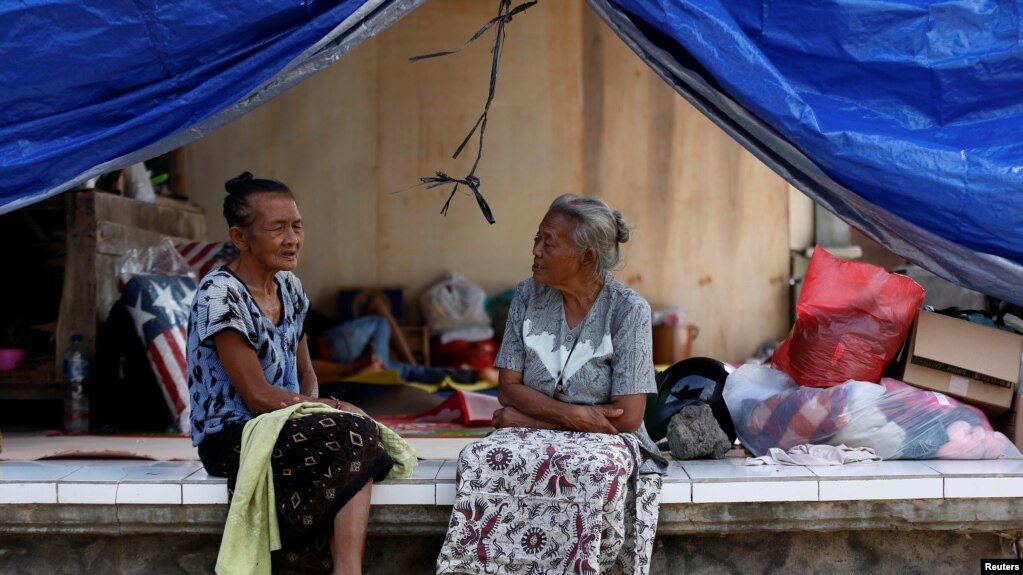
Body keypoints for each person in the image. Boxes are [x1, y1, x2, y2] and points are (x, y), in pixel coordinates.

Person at [436, 194, 667, 575]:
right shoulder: (527, 295)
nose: (536, 251)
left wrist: (533, 420)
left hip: (608, 439)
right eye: (536, 239)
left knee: (595, 470)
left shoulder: (628, 310)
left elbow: (626, 417)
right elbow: (508, 389)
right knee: (480, 460)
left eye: (548, 243)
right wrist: (576, 415)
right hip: (577, 424)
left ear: (587, 258)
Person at [187, 172, 393, 575]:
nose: (292, 238)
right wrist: (328, 409)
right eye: (277, 228)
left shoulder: (291, 288)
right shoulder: (219, 294)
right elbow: (258, 396)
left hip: (283, 423)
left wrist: (319, 407)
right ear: (240, 237)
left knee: (356, 437)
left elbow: (305, 374)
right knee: (353, 433)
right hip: (232, 433)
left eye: (296, 226)